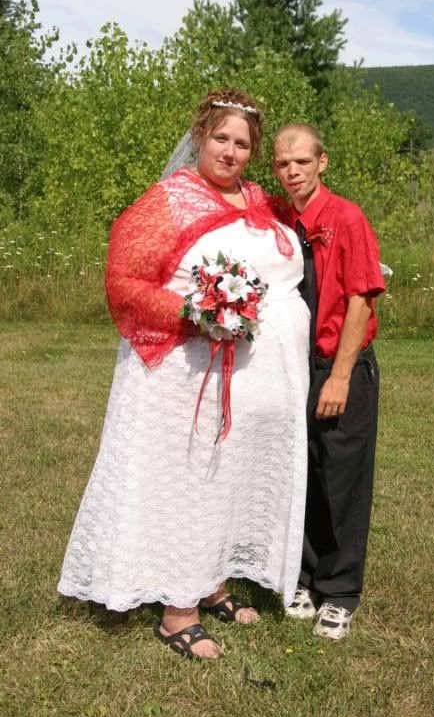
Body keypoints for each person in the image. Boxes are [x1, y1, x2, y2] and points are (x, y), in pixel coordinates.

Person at [58, 89, 310, 660]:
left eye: (242, 143)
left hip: (239, 380)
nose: (230, 151)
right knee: (191, 483)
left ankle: (211, 582)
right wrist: (198, 314)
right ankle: (177, 612)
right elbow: (123, 280)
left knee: (224, 479)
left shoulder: (258, 200)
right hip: (180, 375)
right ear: (200, 136)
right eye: (221, 137)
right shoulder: (169, 201)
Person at [272, 123, 385, 641]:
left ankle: (339, 593)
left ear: (323, 162)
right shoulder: (280, 219)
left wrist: (339, 377)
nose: (292, 171)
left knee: (342, 478)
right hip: (292, 366)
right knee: (303, 472)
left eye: (301, 161)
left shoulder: (346, 218)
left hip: (339, 363)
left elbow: (362, 298)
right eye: (282, 164)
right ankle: (303, 576)